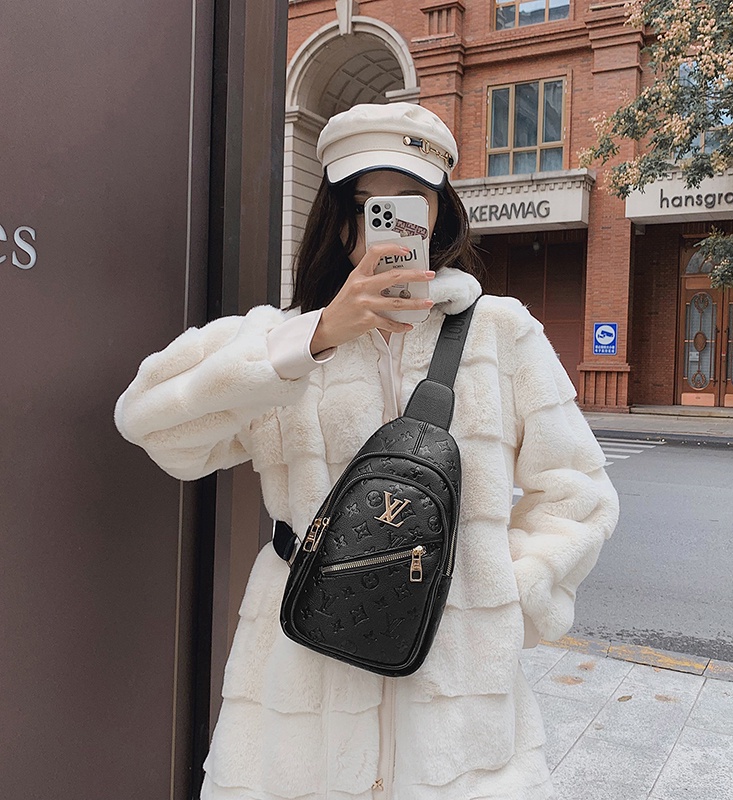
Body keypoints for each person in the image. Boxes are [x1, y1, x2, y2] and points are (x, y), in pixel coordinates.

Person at [115, 102, 619, 800]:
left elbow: (577, 492)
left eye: (409, 205)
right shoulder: (280, 339)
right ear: (340, 216)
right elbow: (150, 421)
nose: (389, 224)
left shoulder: (503, 335)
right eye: (367, 204)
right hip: (300, 675)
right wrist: (314, 338)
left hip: (459, 691)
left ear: (437, 216)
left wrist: (508, 596)